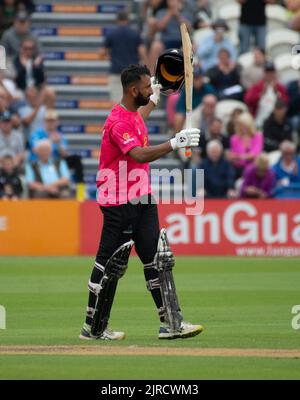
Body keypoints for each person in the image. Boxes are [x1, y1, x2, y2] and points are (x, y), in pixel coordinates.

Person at [79, 64, 203, 341]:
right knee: (108, 265)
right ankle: (92, 327)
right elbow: (138, 154)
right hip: (118, 201)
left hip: (143, 197)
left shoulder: (133, 114)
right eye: (147, 87)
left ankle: (171, 323)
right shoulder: (118, 121)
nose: (150, 89)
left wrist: (158, 96)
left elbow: (141, 116)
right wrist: (175, 142)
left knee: (158, 259)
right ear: (133, 90)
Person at [102, 11, 148, 103]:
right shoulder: (134, 34)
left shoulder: (111, 34)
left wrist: (110, 57)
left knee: (116, 103)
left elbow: (102, 52)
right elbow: (142, 52)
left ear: (117, 20)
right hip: (132, 73)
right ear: (128, 20)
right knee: (133, 102)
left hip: (116, 72)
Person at [29, 109, 84, 183]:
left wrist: (58, 144)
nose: (51, 123)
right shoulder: (37, 133)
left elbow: (64, 154)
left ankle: (80, 189)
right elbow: (35, 149)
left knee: (77, 160)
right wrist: (51, 140)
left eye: (53, 121)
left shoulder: (60, 135)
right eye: (48, 121)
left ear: (57, 122)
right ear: (44, 122)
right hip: (38, 161)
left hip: (56, 161)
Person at [244, 60, 289, 129]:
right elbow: (247, 100)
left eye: (271, 72)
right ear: (264, 73)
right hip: (259, 122)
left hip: (277, 125)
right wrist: (260, 95)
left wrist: (277, 94)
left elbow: (286, 102)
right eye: (267, 72)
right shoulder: (257, 87)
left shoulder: (280, 87)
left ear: (274, 73)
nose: (269, 75)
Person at [174, 66, 215, 132]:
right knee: (179, 116)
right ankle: (177, 138)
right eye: (195, 78)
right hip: (189, 113)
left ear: (202, 78)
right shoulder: (186, 89)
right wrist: (186, 114)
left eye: (199, 77)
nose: (197, 80)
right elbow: (180, 107)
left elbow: (213, 103)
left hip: (203, 113)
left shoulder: (208, 88)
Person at [227, 111, 263, 178]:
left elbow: (254, 154)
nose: (242, 127)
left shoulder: (258, 136)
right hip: (239, 168)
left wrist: (239, 157)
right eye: (240, 125)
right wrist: (239, 157)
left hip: (255, 168)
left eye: (245, 125)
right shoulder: (234, 138)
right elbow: (233, 158)